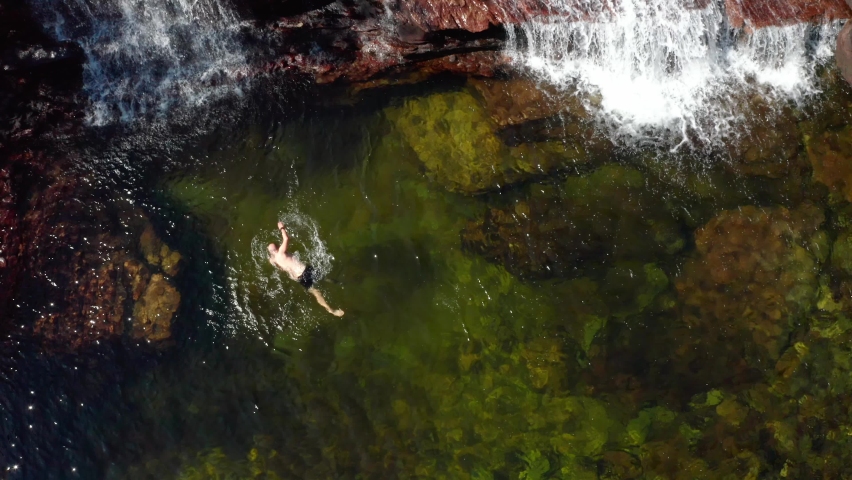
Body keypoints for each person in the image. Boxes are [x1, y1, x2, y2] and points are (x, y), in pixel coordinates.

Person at [268, 221, 344, 317]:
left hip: (299, 278)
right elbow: (286, 238)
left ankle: (330, 310)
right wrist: (281, 228)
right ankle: (338, 283)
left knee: (316, 293)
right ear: (277, 248)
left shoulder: (273, 260)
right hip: (304, 269)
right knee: (322, 277)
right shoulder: (281, 252)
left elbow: (280, 268)